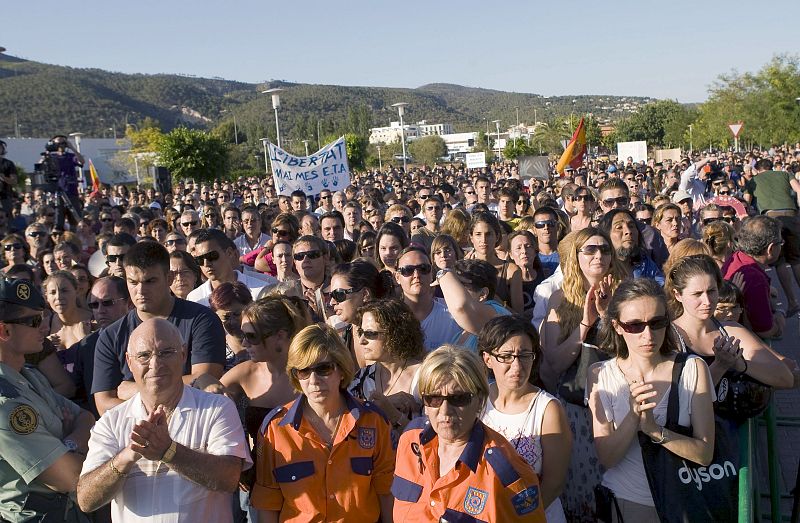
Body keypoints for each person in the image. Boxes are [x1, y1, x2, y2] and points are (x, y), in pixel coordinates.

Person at [77, 318, 252, 522]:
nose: (155, 364)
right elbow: (86, 500)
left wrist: (169, 452)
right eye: (143, 355)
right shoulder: (111, 421)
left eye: (166, 353)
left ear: (183, 354)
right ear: (129, 362)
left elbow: (229, 478)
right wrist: (127, 456)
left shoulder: (217, 408)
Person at [587, 278, 716, 522]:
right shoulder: (600, 374)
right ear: (617, 326)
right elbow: (607, 457)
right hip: (626, 502)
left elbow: (704, 453)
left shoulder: (692, 368)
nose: (648, 334)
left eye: (657, 323)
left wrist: (655, 431)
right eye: (635, 325)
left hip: (683, 500)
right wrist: (634, 416)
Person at [251, 324, 395, 523]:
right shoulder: (275, 429)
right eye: (303, 371)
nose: (313, 380)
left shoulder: (374, 422)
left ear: (342, 370)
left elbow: (387, 495)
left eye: (323, 369)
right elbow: (268, 504)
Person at [393, 345, 546, 522]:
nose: (445, 411)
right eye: (433, 398)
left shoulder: (508, 472)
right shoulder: (410, 439)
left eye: (458, 399)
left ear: (480, 401)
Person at [91, 241, 226, 416]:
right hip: (132, 433)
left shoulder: (202, 320)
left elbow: (204, 384)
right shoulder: (110, 336)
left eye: (150, 281)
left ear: (169, 278)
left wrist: (134, 390)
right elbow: (104, 406)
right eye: (133, 282)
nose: (140, 290)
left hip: (193, 422)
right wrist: (179, 387)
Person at [0, 278, 95, 522]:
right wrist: (74, 436)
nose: (44, 327)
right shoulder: (6, 403)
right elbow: (70, 476)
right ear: (4, 331)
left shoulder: (29, 376)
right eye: (34, 321)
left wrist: (69, 442)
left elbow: (86, 417)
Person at [479, 315, 571, 523]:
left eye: (525, 355)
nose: (517, 365)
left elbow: (554, 483)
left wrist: (516, 518)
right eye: (507, 356)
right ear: (487, 359)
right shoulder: (476, 401)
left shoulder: (548, 409)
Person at [668, 254, 793, 390]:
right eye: (697, 294)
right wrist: (720, 366)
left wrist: (741, 365)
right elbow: (683, 398)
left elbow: (786, 378)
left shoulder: (731, 331)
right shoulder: (668, 338)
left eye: (711, 291)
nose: (707, 301)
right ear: (678, 295)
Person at [348, 298, 424, 439]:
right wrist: (379, 406)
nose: (361, 340)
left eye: (370, 334)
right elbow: (345, 426)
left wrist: (394, 415)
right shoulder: (360, 380)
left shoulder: (426, 378)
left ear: (395, 334)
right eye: (361, 332)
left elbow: (430, 441)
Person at [722, 215, 787, 338]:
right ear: (771, 248)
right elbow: (764, 331)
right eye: (781, 242)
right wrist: (780, 319)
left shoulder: (737, 257)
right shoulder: (755, 279)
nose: (781, 246)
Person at [395, 246, 462, 352]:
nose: (416, 275)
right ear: (397, 277)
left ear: (431, 273)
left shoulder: (454, 314)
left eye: (423, 269)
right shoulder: (390, 318)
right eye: (408, 270)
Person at [329, 260, 395, 366]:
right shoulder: (342, 335)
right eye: (331, 295)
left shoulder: (392, 334)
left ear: (365, 294)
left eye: (339, 294)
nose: (332, 302)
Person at [186, 229, 274, 307]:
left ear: (229, 253)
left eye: (212, 256)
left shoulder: (261, 291)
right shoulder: (194, 299)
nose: (206, 264)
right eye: (200, 259)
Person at [467, 211, 523, 313]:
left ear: (497, 236)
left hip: (503, 327)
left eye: (488, 234)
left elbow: (519, 316)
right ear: (471, 238)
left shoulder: (512, 270)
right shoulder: (463, 269)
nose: (483, 240)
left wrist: (497, 301)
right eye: (478, 234)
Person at [599, 209, 664, 284]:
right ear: (606, 235)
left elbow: (662, 289)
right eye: (619, 227)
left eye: (631, 226)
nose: (628, 231)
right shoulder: (601, 266)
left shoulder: (646, 264)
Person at [207, 281, 253, 371]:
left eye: (237, 314)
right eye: (226, 317)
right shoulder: (214, 348)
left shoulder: (265, 342)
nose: (233, 322)